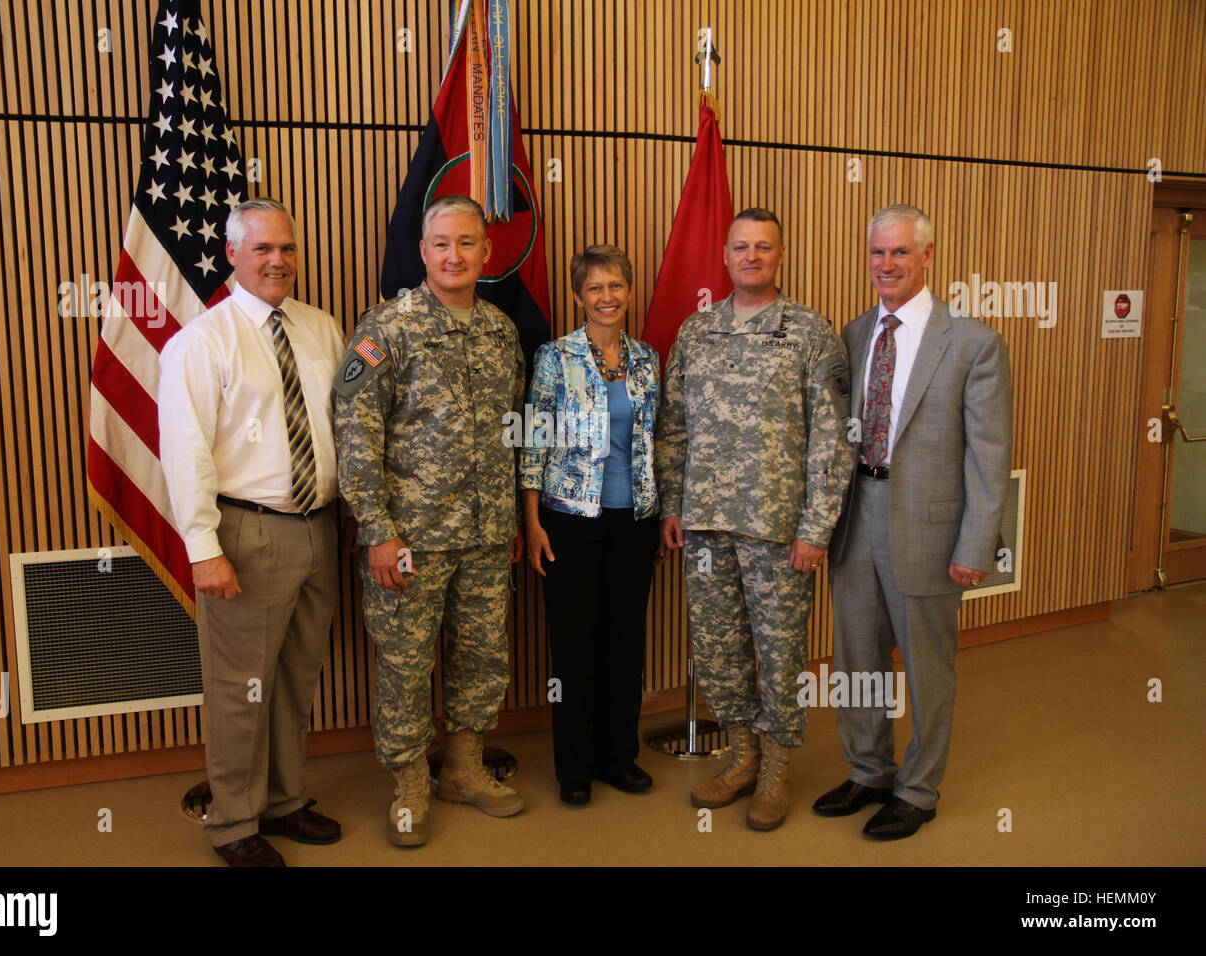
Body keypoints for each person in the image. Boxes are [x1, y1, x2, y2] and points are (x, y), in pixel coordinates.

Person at [332, 195, 526, 847]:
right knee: (407, 664)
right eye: (441, 243)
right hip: (408, 539)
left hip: (486, 536)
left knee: (481, 655)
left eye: (467, 242)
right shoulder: (386, 328)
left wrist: (510, 522)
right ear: (422, 251)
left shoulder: (501, 331)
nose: (454, 255)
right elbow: (355, 432)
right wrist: (378, 531)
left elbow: (511, 430)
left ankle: (464, 768)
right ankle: (410, 780)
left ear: (485, 252)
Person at [814, 203, 1013, 839]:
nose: (887, 264)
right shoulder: (850, 334)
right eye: (878, 252)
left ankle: (919, 788)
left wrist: (976, 544)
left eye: (900, 252)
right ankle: (868, 769)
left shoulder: (975, 343)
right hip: (857, 516)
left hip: (929, 526)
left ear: (927, 255)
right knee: (858, 658)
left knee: (926, 665)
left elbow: (989, 456)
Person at [158, 197, 345, 867]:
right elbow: (185, 453)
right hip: (247, 533)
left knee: (296, 677)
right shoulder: (200, 343)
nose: (278, 260)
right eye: (262, 249)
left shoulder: (323, 329)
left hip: (319, 529)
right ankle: (233, 820)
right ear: (232, 254)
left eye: (287, 248)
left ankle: (285, 800)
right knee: (243, 689)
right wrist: (204, 550)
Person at [657, 208, 853, 831]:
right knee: (717, 651)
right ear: (725, 255)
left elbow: (832, 438)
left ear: (780, 255)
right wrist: (671, 504)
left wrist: (815, 527)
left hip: (777, 529)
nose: (750, 257)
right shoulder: (696, 332)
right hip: (706, 525)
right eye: (740, 247)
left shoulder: (811, 333)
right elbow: (672, 427)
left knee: (779, 652)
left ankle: (775, 768)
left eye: (763, 248)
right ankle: (740, 756)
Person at [520, 245, 661, 806]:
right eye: (595, 288)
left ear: (630, 292)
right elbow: (534, 439)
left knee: (625, 644)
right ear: (578, 297)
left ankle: (617, 757)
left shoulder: (648, 357)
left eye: (617, 286)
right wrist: (532, 522)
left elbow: (659, 439)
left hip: (635, 521)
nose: (607, 297)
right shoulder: (555, 357)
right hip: (568, 520)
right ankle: (575, 767)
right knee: (574, 646)